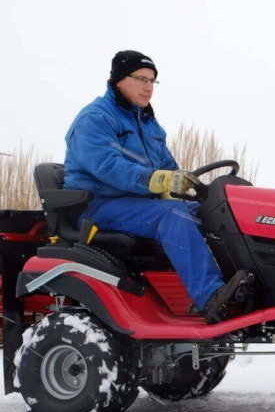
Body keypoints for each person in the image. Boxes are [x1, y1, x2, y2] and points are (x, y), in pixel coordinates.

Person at [64, 50, 248, 324]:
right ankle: (210, 297)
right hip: (100, 204)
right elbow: (106, 166)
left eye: (152, 81)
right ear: (118, 80)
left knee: (214, 212)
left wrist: (189, 187)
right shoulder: (95, 118)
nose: (148, 87)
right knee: (172, 216)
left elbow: (167, 168)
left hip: (141, 203)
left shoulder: (148, 123)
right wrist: (154, 181)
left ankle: (246, 283)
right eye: (141, 79)